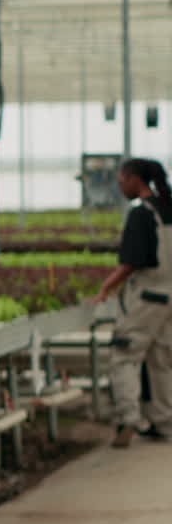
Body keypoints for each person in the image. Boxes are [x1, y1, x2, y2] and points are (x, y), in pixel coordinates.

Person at [92, 157, 172, 448]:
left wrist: (106, 287)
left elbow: (132, 262)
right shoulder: (168, 208)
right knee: (162, 361)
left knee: (125, 355)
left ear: (136, 180)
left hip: (148, 298)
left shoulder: (142, 213)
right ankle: (165, 423)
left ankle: (129, 419)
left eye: (122, 180)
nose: (120, 185)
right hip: (170, 301)